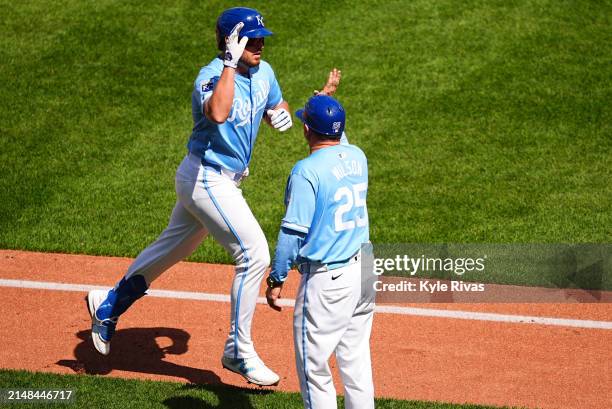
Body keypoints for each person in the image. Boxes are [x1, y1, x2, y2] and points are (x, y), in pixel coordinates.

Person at [85, 7, 292, 386]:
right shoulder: (209, 78)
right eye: (252, 39)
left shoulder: (265, 72)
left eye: (262, 37)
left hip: (224, 180)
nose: (261, 44)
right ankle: (238, 350)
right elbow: (218, 112)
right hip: (205, 178)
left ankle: (108, 304)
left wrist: (280, 114)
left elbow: (275, 102)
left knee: (169, 251)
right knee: (254, 254)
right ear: (232, 43)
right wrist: (229, 64)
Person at [265, 92, 375, 408]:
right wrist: (328, 103)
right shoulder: (358, 156)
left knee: (314, 370)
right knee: (355, 360)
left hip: (329, 281)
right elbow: (342, 144)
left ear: (306, 130)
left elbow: (292, 232)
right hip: (365, 268)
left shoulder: (306, 171)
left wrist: (277, 277)